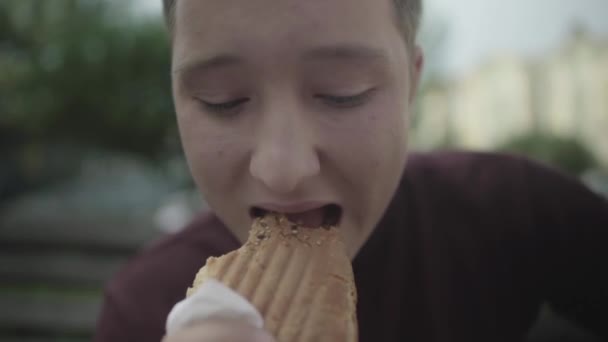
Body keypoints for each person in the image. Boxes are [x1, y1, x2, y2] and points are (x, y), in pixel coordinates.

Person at [94, 0, 608, 341]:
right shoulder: (144, 310)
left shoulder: (512, 210)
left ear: (412, 83)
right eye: (221, 101)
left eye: (344, 92)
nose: (284, 170)